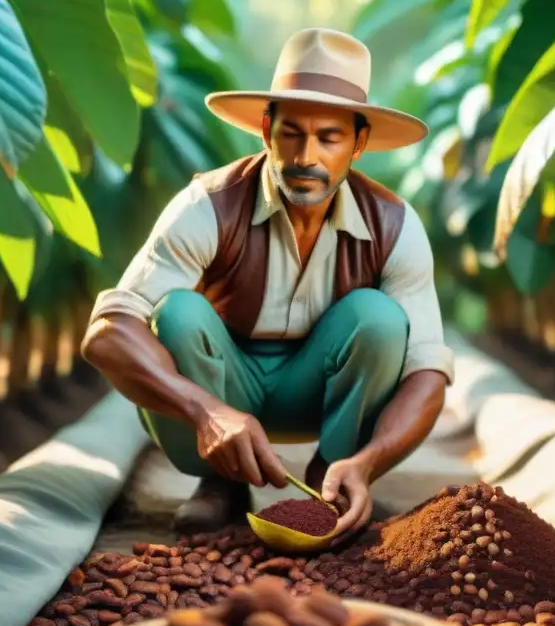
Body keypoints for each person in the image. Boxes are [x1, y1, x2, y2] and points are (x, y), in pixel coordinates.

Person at [81, 28, 454, 536]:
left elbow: (428, 374)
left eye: (329, 138)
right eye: (292, 134)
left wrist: (369, 461)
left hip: (318, 394)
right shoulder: (207, 206)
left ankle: (336, 481)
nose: (306, 157)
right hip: (217, 386)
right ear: (265, 131)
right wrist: (207, 411)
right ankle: (221, 483)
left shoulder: (394, 225)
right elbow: (105, 333)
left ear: (359, 144)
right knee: (178, 314)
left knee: (381, 320)